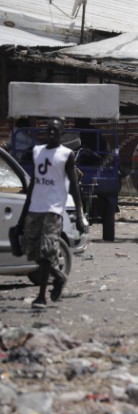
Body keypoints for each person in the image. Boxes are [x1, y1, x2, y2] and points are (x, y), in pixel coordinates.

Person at [18, 118, 87, 309]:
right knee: (30, 250)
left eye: (55, 131)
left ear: (62, 133)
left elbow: (73, 186)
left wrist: (80, 216)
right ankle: (58, 276)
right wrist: (24, 213)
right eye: (49, 130)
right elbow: (33, 183)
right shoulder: (37, 151)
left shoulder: (66, 154)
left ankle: (41, 296)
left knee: (47, 250)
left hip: (54, 208)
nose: (51, 134)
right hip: (35, 207)